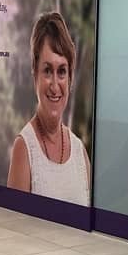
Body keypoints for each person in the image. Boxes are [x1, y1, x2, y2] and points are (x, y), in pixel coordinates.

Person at [7, 12, 90, 204]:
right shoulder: (24, 149)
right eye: (47, 70)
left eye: (62, 71)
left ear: (70, 78)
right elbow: (13, 222)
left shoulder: (80, 153)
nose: (54, 85)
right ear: (35, 73)